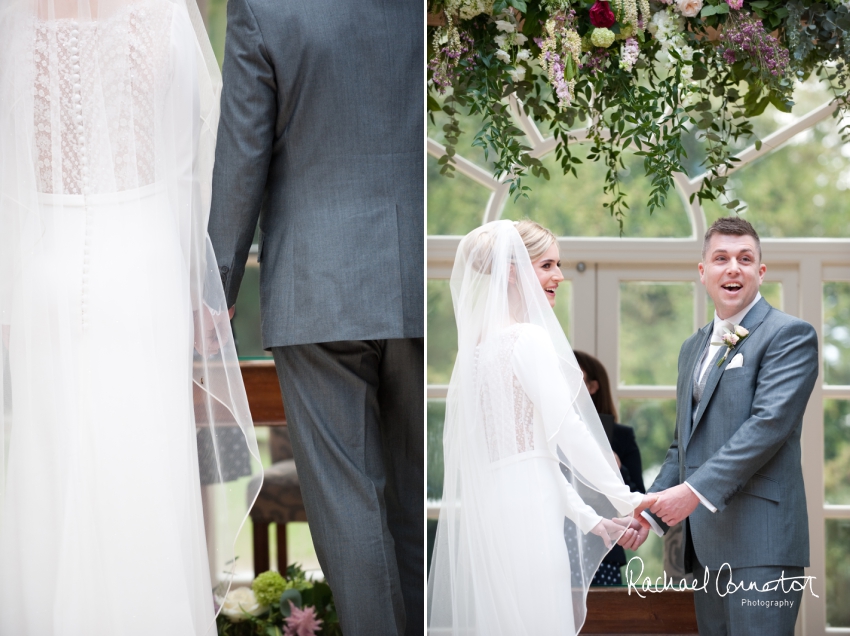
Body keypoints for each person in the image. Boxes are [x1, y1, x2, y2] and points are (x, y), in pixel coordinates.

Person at [0, 1, 262, 634]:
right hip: (142, 262)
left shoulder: (15, 21)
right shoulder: (164, 19)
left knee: (49, 460)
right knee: (143, 460)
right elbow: (191, 164)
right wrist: (193, 277)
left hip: (41, 268)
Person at [206, 2, 423, 635]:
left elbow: (242, 151)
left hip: (315, 286)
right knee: (412, 501)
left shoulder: (264, 7)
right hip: (414, 277)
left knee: (349, 505)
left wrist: (216, 290)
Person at [428, 220, 655, 636]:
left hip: (499, 512)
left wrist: (593, 521)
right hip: (530, 513)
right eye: (547, 264)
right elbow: (567, 430)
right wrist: (626, 499)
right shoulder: (526, 338)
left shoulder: (475, 352)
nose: (559, 276)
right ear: (513, 269)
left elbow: (533, 456)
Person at [623, 217, 818, 635]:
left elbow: (767, 426)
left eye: (745, 259)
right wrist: (653, 514)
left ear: (760, 272)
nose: (733, 268)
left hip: (763, 544)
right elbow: (684, 445)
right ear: (703, 272)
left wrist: (692, 493)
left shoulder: (790, 336)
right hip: (706, 549)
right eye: (721, 258)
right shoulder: (691, 347)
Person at [573, 350, 646, 586]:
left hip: (603, 550)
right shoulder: (547, 431)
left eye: (575, 377)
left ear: (593, 386)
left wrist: (615, 467)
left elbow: (637, 498)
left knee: (604, 620)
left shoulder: (621, 437)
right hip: (557, 544)